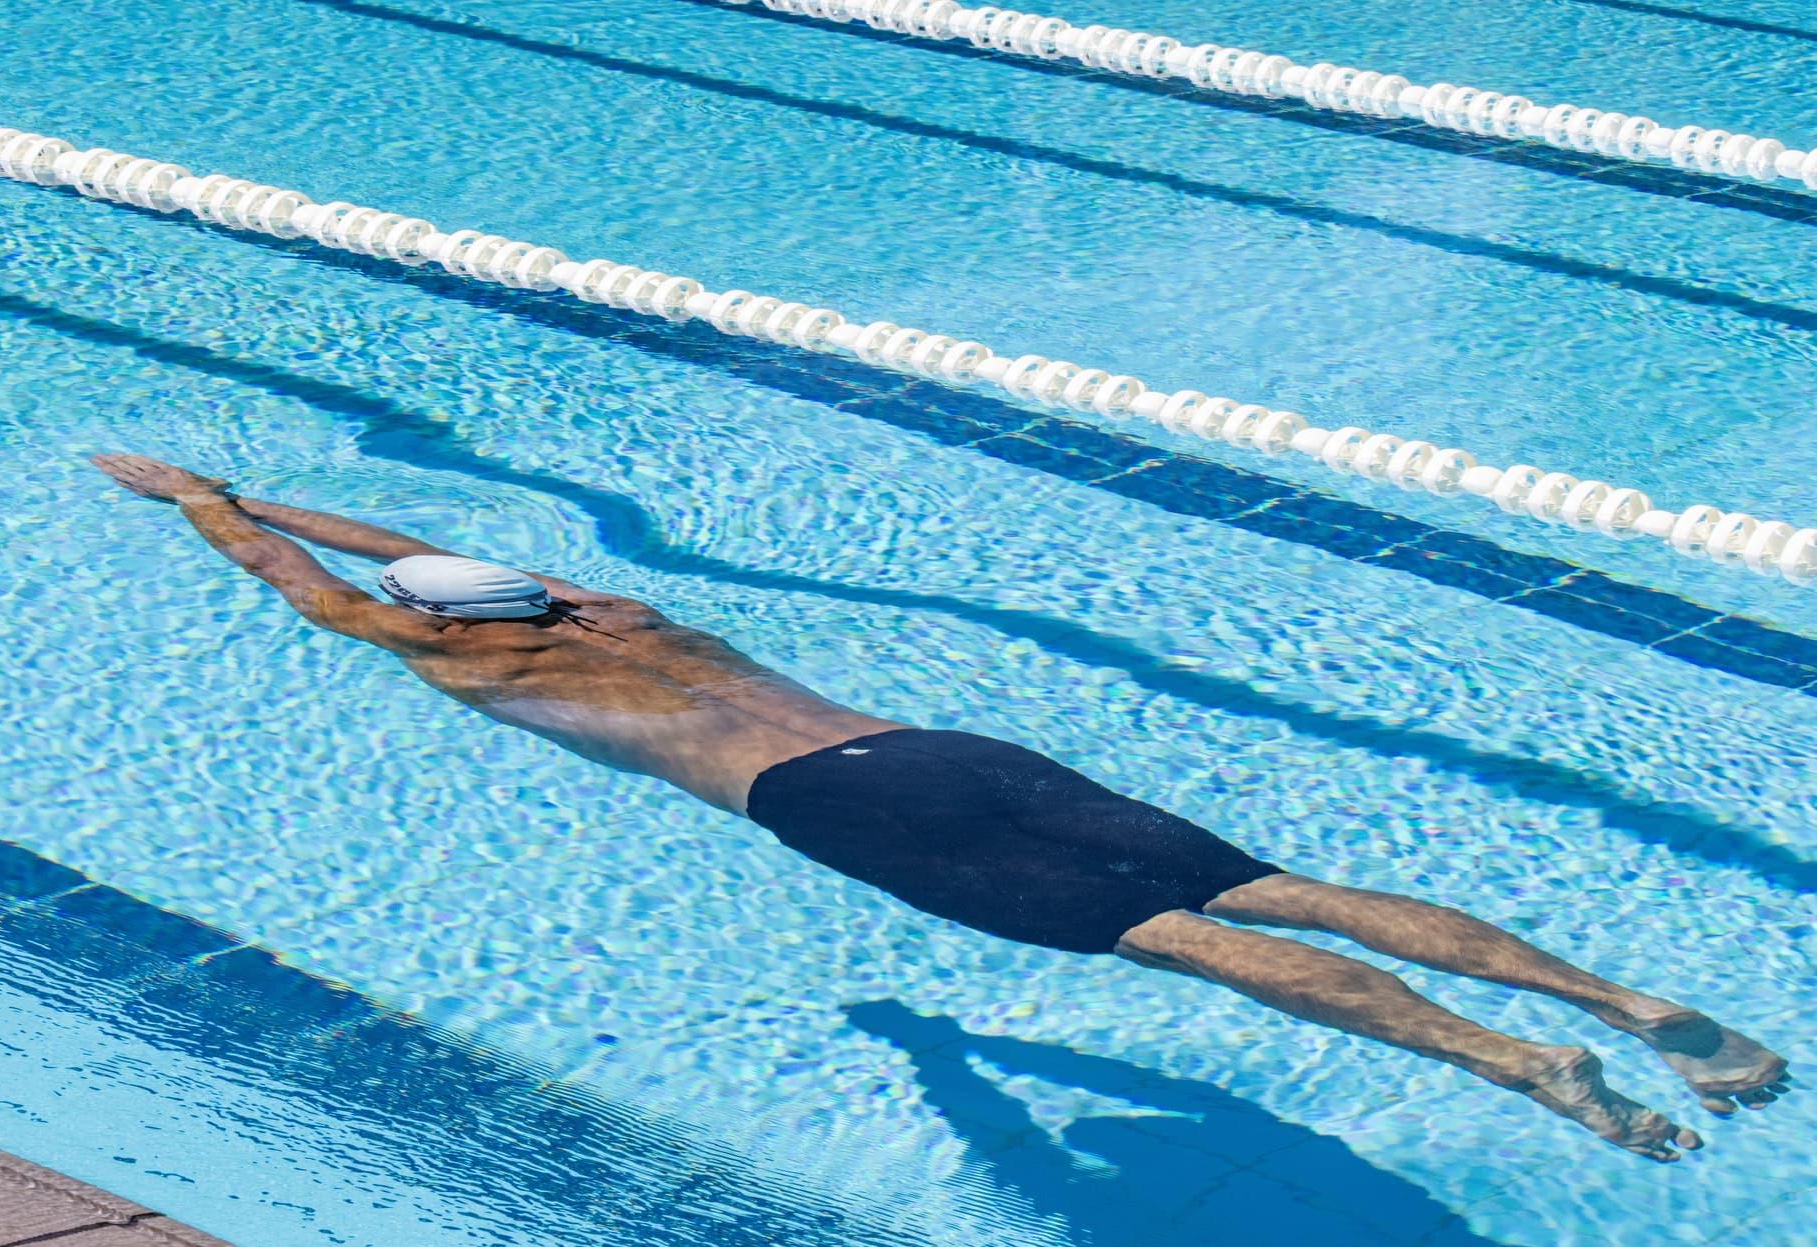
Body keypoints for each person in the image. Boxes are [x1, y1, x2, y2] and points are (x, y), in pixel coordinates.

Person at [91, 453, 1790, 1162]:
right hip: (938, 745)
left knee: (1175, 941)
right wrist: (270, 479)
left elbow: (305, 574)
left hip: (840, 807)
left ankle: (1517, 1061)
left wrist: (196, 502)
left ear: (426, 611)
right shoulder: (606, 614)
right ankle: (1620, 1001)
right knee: (1288, 882)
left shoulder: (471, 662)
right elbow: (392, 538)